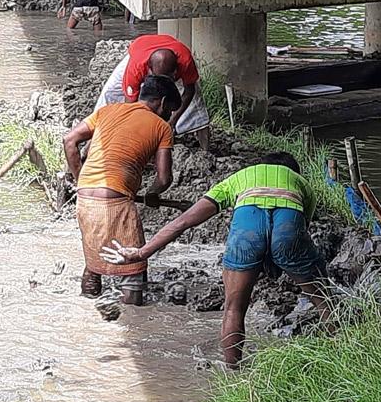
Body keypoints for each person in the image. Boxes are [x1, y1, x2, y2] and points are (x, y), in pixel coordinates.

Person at [101, 152, 332, 370]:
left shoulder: (241, 177)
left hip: (246, 234)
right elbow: (300, 233)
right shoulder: (301, 183)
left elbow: (184, 222)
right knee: (323, 299)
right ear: (292, 171)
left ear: (259, 165)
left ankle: (234, 372)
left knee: (234, 309)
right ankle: (337, 349)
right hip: (288, 227)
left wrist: (142, 253)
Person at [62, 74, 179, 305]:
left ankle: (87, 309)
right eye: (171, 110)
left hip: (85, 198)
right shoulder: (162, 127)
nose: (170, 116)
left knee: (94, 260)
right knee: (134, 269)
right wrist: (151, 194)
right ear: (162, 102)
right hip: (116, 201)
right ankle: (130, 322)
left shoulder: (107, 111)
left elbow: (69, 140)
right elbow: (164, 178)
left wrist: (80, 180)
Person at [95, 34, 211, 148]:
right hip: (139, 53)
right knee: (109, 93)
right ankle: (97, 135)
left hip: (170, 60)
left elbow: (189, 91)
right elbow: (129, 103)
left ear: (175, 72)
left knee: (197, 106)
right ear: (149, 71)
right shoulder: (136, 67)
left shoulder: (185, 61)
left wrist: (172, 121)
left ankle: (206, 150)